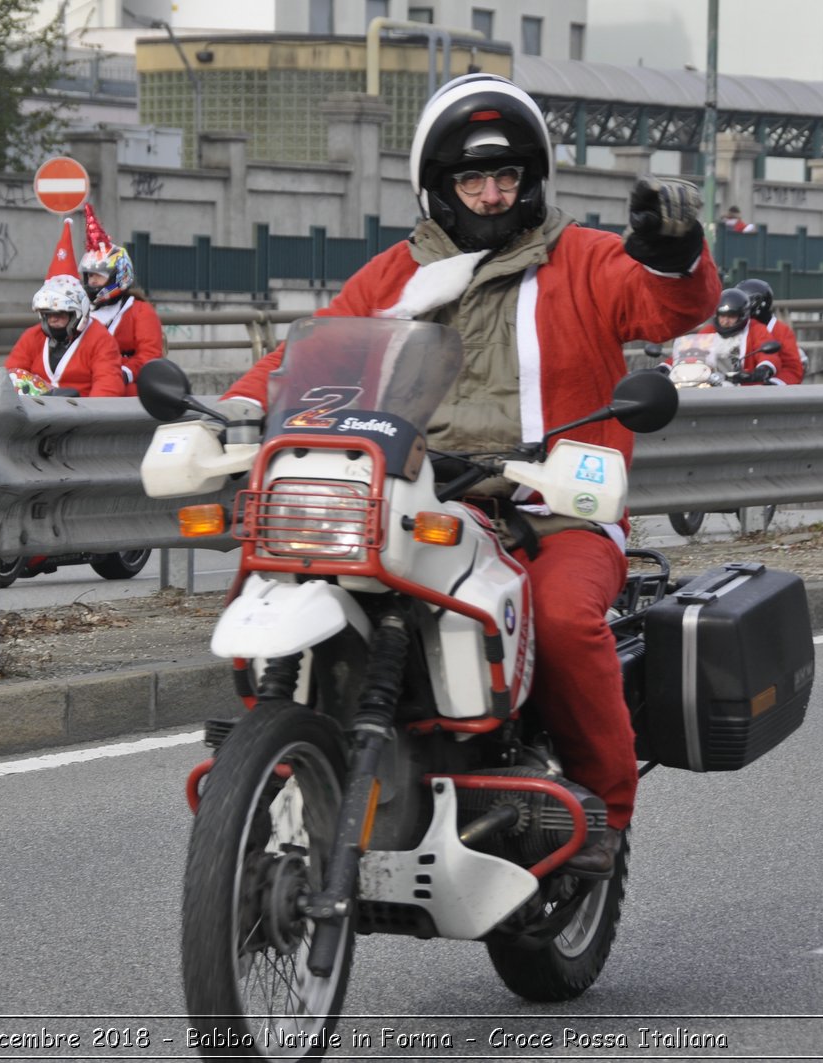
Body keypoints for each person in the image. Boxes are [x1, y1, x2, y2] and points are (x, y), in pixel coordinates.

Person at [214, 73, 721, 876]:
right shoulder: (394, 276)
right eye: (471, 179)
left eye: (506, 176)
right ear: (438, 189)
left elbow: (669, 307)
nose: (490, 194)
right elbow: (308, 360)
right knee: (293, 574)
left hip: (554, 510)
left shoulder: (586, 260)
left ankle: (602, 819)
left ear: (530, 180)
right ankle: (277, 756)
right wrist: (238, 411)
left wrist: (675, 252)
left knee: (560, 620)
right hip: (414, 500)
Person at [5, 219, 125, 398]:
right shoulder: (32, 337)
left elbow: (108, 387)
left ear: (78, 314)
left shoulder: (100, 340)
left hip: (80, 416)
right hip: (33, 416)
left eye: (61, 313)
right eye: (48, 314)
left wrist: (84, 415)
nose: (53, 319)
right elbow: (10, 376)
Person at [81, 204, 166, 398]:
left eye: (99, 275)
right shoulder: (83, 311)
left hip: (121, 387)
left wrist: (121, 373)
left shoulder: (140, 311)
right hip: (85, 382)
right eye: (89, 276)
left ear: (119, 276)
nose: (92, 281)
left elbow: (150, 356)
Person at [694, 286, 802, 385]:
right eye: (722, 316)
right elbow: (689, 351)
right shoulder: (708, 331)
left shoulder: (756, 329)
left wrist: (763, 369)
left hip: (742, 386)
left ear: (743, 314)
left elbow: (768, 354)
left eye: (731, 316)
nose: (725, 321)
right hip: (710, 383)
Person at [736, 277, 807, 381]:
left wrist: (771, 382)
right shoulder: (725, 327)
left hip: (762, 388)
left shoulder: (781, 331)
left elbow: (792, 368)